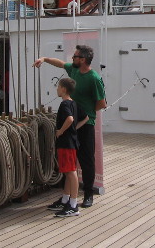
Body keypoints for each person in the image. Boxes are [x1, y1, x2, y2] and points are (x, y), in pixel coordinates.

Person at [33, 45, 106, 208]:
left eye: (75, 57)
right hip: (71, 125)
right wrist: (44, 59)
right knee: (70, 160)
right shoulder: (73, 71)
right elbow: (60, 63)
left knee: (86, 160)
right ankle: (65, 197)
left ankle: (88, 194)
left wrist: (84, 113)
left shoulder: (94, 78)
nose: (72, 59)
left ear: (83, 60)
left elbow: (102, 103)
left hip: (86, 124)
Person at [46, 78, 88, 217]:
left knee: (71, 172)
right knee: (69, 172)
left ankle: (73, 205)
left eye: (58, 87)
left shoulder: (64, 105)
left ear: (64, 89)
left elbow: (69, 119)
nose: (57, 89)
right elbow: (86, 117)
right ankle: (65, 199)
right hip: (72, 142)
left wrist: (61, 131)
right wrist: (74, 129)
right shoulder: (74, 103)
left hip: (66, 143)